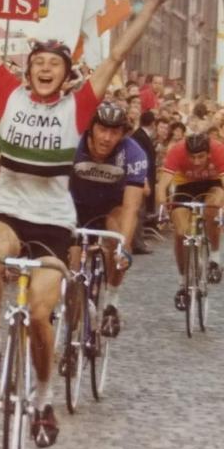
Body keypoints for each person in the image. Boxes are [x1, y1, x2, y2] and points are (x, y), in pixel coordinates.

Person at [0, 0, 189, 449]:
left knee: (39, 314)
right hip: (10, 209)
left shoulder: (78, 107)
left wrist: (155, 3)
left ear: (65, 75)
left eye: (55, 62)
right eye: (38, 59)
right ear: (28, 67)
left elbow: (119, 53)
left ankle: (43, 400)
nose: (44, 66)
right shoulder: (6, 91)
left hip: (54, 221)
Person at [68, 101, 144, 335]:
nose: (107, 138)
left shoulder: (133, 153)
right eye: (102, 129)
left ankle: (112, 300)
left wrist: (124, 246)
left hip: (112, 208)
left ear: (122, 135)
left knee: (119, 239)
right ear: (91, 128)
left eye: (114, 132)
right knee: (73, 271)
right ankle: (72, 337)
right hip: (75, 208)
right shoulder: (72, 144)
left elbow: (131, 207)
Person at [156, 131, 224, 306]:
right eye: (192, 157)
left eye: (201, 157)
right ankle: (183, 281)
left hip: (213, 184)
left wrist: (222, 212)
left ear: (209, 153)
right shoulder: (177, 150)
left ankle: (214, 258)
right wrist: (163, 208)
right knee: (180, 233)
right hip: (186, 185)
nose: (197, 161)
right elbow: (162, 185)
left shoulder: (219, 150)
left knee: (212, 209)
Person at [129, 110, 157, 254]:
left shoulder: (141, 135)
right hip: (139, 179)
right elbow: (142, 161)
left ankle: (137, 242)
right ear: (153, 123)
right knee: (138, 212)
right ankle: (137, 243)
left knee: (140, 212)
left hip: (141, 178)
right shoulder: (140, 137)